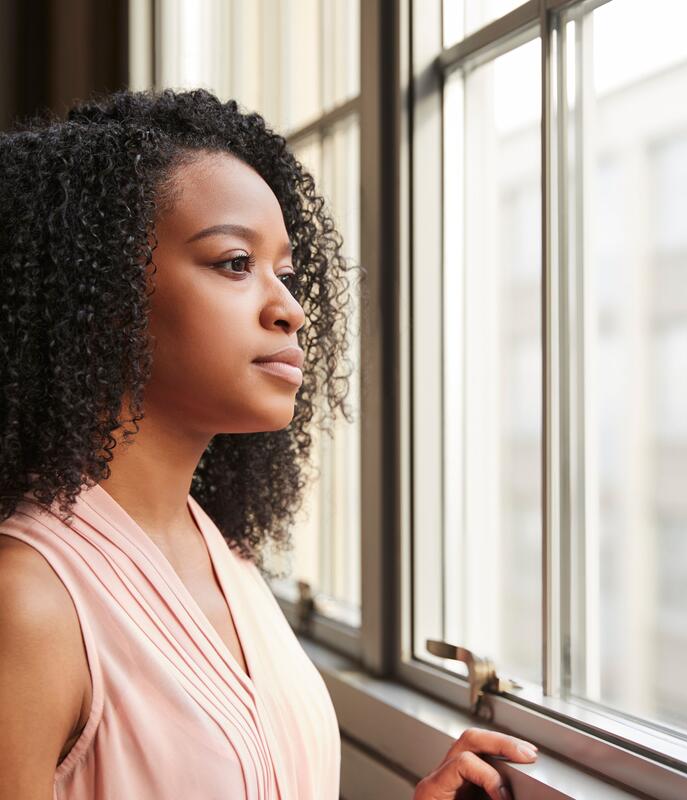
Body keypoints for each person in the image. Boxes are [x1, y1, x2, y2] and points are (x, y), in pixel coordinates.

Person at [0, 88, 538, 800]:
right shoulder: (28, 603)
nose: (290, 308)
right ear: (101, 296)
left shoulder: (225, 560)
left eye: (284, 273)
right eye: (233, 263)